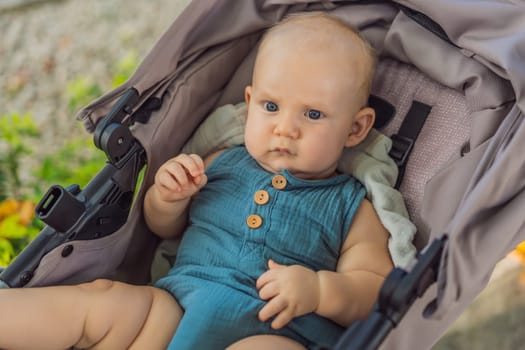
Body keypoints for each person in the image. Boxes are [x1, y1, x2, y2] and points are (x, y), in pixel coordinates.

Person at [0, 12, 393, 350]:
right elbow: (163, 228)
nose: (285, 129)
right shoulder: (221, 162)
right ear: (250, 102)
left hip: (270, 327)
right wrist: (169, 198)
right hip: (174, 311)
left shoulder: (353, 207)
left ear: (356, 129)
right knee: (102, 300)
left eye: (313, 115)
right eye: (271, 107)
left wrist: (321, 291)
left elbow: (373, 290)